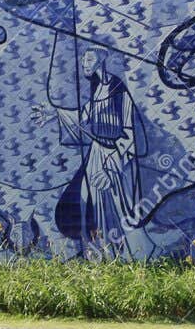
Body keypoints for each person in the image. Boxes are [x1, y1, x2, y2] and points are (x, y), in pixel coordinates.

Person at [31, 49, 152, 258]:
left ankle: (132, 254)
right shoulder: (97, 89)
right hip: (95, 154)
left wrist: (111, 168)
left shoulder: (118, 91)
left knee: (115, 209)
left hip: (112, 158)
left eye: (89, 59)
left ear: (101, 61)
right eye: (83, 59)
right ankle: (100, 252)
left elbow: (129, 136)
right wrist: (56, 113)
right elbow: (84, 116)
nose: (84, 63)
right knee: (87, 202)